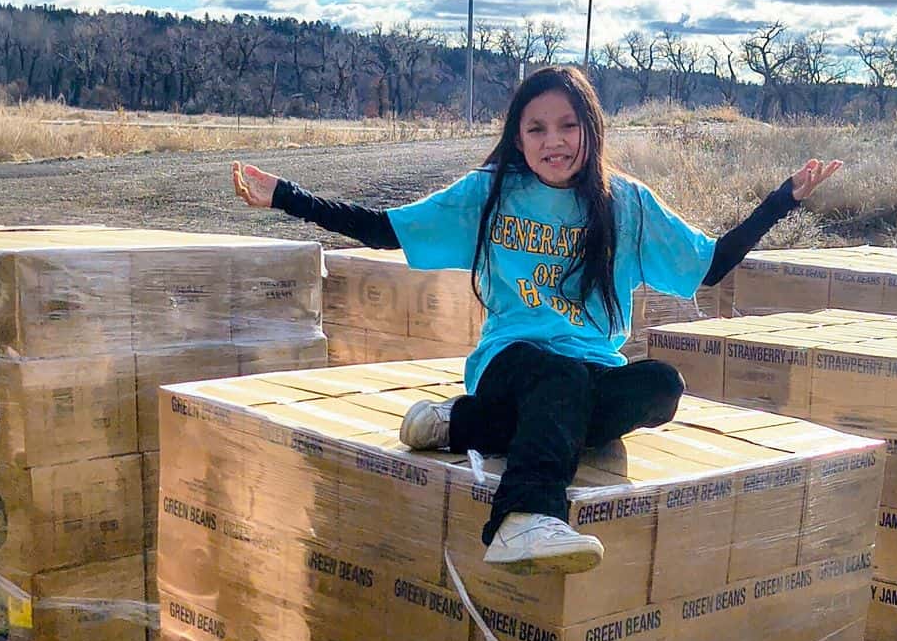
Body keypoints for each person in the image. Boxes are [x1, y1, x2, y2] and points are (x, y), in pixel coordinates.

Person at [231, 66, 841, 576]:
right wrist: (285, 195)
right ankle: (523, 517)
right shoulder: (490, 193)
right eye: (537, 128)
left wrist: (781, 200)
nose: (555, 141)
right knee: (559, 377)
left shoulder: (626, 203)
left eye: (568, 125)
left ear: (591, 130)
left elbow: (709, 266)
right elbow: (383, 229)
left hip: (588, 367)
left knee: (662, 386)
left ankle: (463, 424)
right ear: (518, 138)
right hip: (512, 361)